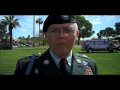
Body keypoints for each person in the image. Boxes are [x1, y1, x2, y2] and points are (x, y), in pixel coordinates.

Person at [14, 15, 98, 75]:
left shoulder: (90, 65)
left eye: (68, 30)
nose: (61, 36)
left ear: (77, 35)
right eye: (54, 30)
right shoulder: (26, 67)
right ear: (45, 35)